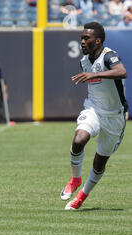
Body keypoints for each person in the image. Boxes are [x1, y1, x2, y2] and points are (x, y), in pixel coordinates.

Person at [62, 22, 128, 210]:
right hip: (93, 109)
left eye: (86, 38)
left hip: (115, 116)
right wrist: (91, 74)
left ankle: (82, 196)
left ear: (97, 41)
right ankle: (75, 180)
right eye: (81, 37)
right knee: (79, 139)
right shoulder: (84, 59)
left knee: (100, 162)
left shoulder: (108, 55)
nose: (82, 41)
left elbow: (122, 72)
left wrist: (94, 74)